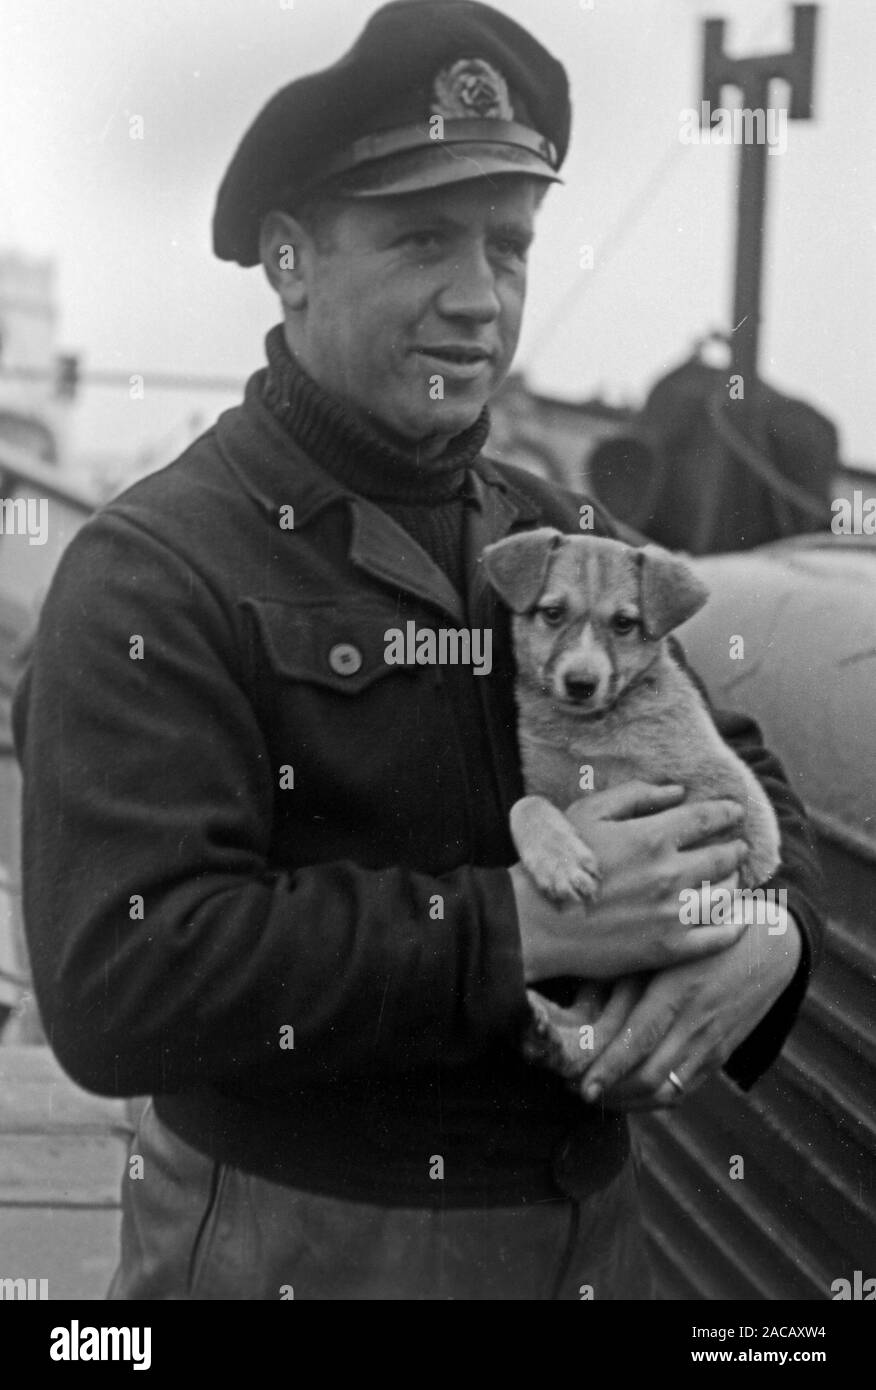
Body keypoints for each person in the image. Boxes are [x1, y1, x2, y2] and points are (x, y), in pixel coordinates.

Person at [12, 0, 823, 1301]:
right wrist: (513, 928)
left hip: (590, 1238)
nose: (479, 296)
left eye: (509, 245)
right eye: (423, 239)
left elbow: (746, 773)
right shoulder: (156, 564)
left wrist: (765, 933)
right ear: (290, 259)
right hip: (301, 1242)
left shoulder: (567, 538)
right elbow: (117, 975)